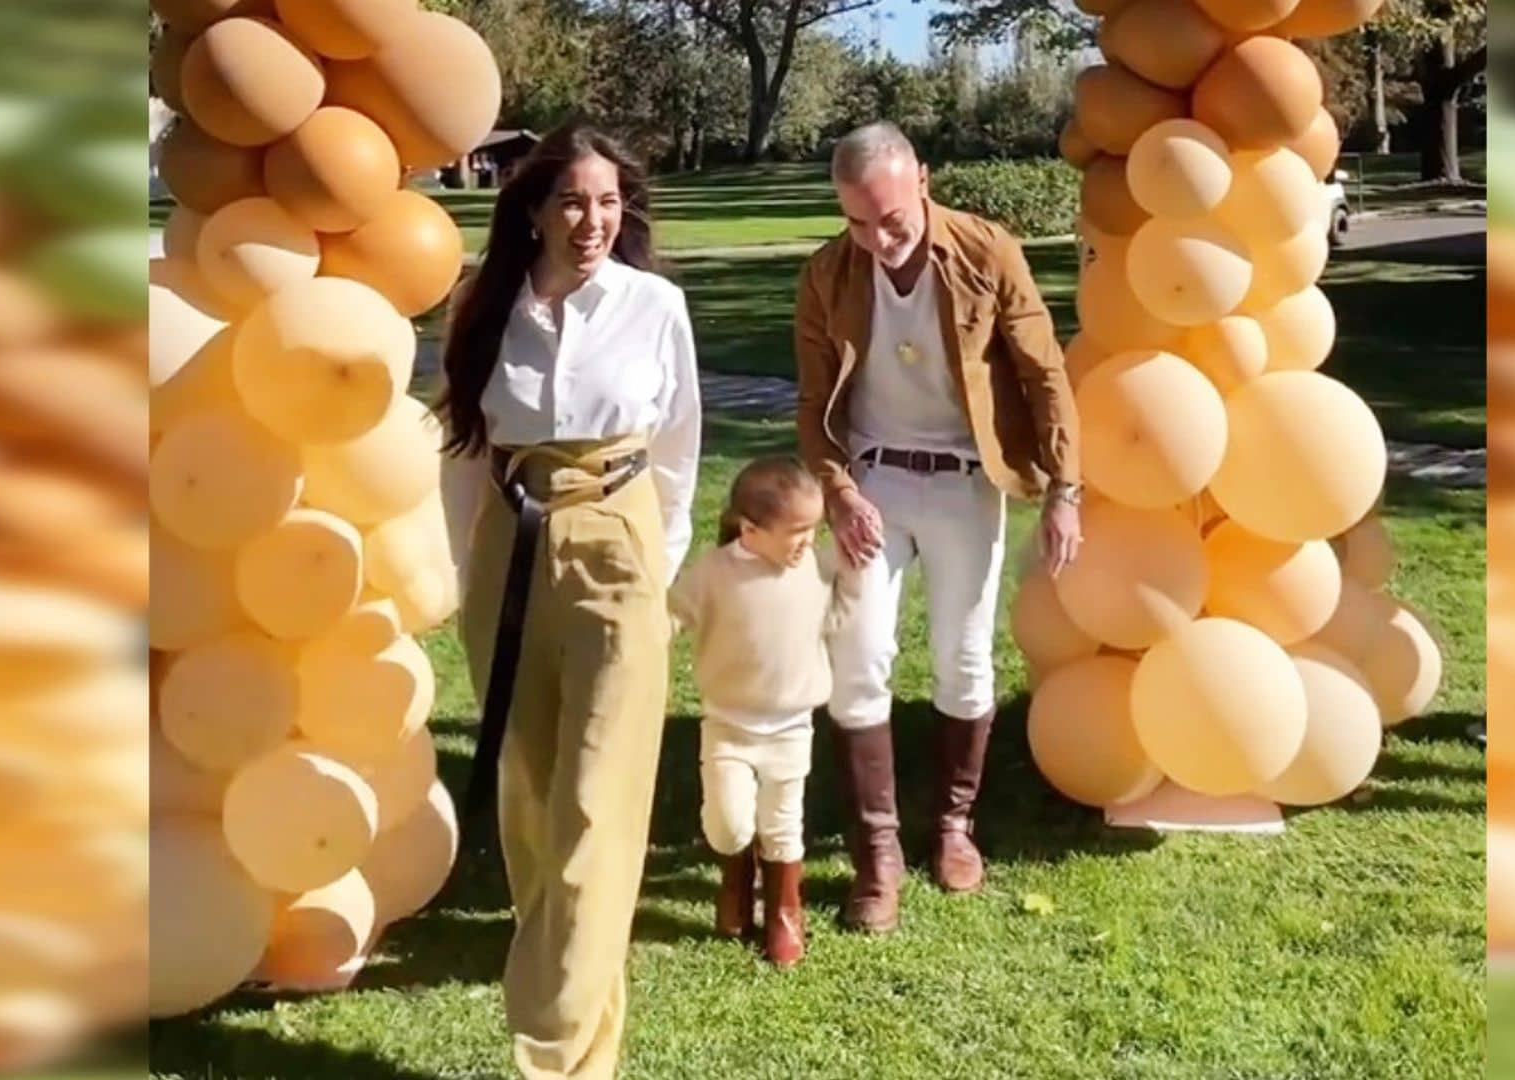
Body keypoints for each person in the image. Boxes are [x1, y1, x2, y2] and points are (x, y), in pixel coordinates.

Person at [438, 122, 701, 1080]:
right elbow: (463, 447)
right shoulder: (484, 303)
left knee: (599, 803)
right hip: (507, 554)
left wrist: (653, 565)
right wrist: (460, 565)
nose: (592, 221)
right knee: (530, 798)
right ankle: (591, 1060)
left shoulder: (655, 304)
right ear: (534, 211)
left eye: (607, 202)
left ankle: (544, 1045)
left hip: (616, 549)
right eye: (572, 202)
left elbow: (679, 448)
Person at [793, 122, 1083, 935]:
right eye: (856, 222)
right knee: (858, 658)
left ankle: (954, 826)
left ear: (922, 180)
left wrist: (1066, 486)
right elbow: (813, 407)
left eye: (889, 219)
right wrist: (840, 493)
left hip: (965, 481)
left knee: (964, 656)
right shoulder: (826, 275)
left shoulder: (988, 251)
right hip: (873, 480)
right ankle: (877, 854)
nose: (877, 240)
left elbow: (1042, 372)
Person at [666, 457, 859, 969]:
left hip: (792, 726)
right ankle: (736, 873)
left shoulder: (815, 569)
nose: (807, 541)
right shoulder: (714, 571)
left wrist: (855, 577)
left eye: (814, 530)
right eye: (797, 531)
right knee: (728, 824)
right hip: (728, 725)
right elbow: (673, 613)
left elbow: (837, 616)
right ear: (750, 529)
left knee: (783, 824)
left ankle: (783, 912)